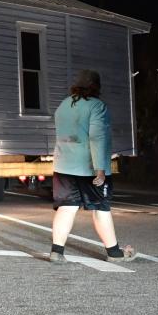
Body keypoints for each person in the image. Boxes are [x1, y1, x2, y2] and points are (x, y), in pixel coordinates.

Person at [48, 69, 137, 263]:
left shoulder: (64, 105)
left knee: (66, 208)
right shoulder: (97, 106)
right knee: (101, 208)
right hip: (88, 167)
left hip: (63, 166)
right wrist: (100, 169)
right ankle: (114, 253)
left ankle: (57, 251)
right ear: (96, 87)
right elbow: (98, 137)